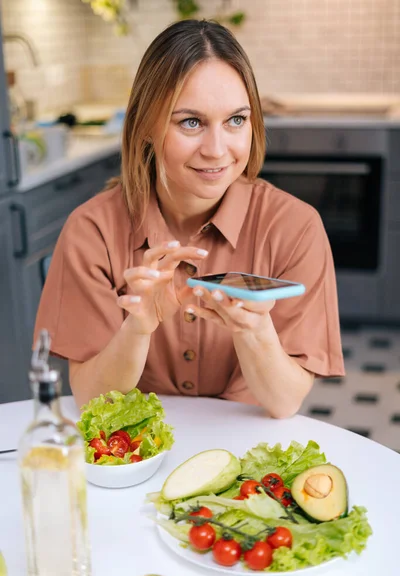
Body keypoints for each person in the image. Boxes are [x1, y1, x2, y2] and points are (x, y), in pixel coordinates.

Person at [34, 19, 345, 417]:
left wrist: (254, 331)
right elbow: (92, 403)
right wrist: (138, 328)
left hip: (246, 463)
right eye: (191, 122)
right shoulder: (91, 231)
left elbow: (284, 402)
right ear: (146, 125)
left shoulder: (296, 228)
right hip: (137, 458)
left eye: (236, 120)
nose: (217, 150)